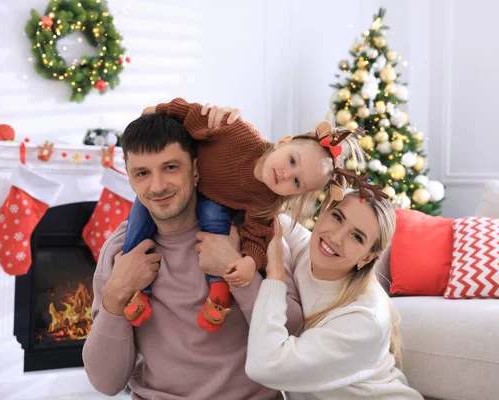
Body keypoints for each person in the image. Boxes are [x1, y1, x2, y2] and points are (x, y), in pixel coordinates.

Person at [82, 113, 304, 399]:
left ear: (196, 170)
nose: (158, 186)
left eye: (170, 167)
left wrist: (237, 274)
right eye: (142, 173)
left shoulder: (252, 234)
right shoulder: (120, 252)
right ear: (129, 177)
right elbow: (105, 382)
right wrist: (116, 294)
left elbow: (295, 336)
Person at [122, 98, 368, 333]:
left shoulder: (266, 200)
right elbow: (194, 114)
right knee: (139, 220)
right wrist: (160, 110)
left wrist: (250, 262)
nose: (285, 173)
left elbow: (258, 234)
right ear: (283, 142)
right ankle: (138, 291)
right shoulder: (238, 133)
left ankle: (218, 294)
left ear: (297, 193)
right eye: (292, 160)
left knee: (215, 222)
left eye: (296, 181)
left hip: (213, 200)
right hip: (187, 185)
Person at [244, 189, 424, 399]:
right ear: (325, 212)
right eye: (337, 217)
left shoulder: (365, 320)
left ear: (367, 258)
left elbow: (263, 366)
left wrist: (275, 274)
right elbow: (263, 212)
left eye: (356, 236)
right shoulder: (307, 248)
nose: (336, 238)